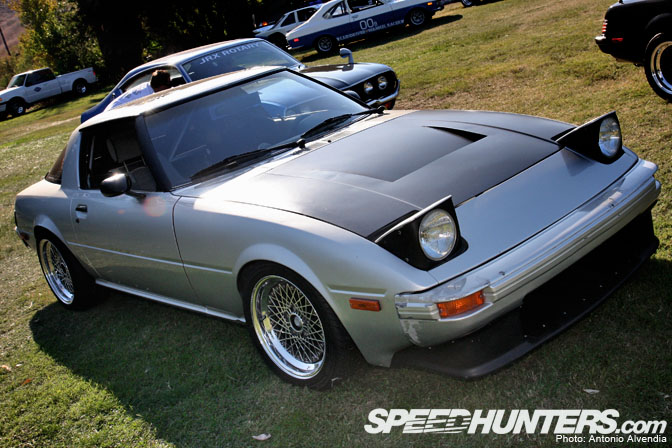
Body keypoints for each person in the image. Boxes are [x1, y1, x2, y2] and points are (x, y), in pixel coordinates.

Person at [105, 69, 171, 111]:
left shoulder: (148, 86)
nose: (169, 88)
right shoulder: (147, 96)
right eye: (167, 85)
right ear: (160, 86)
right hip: (113, 113)